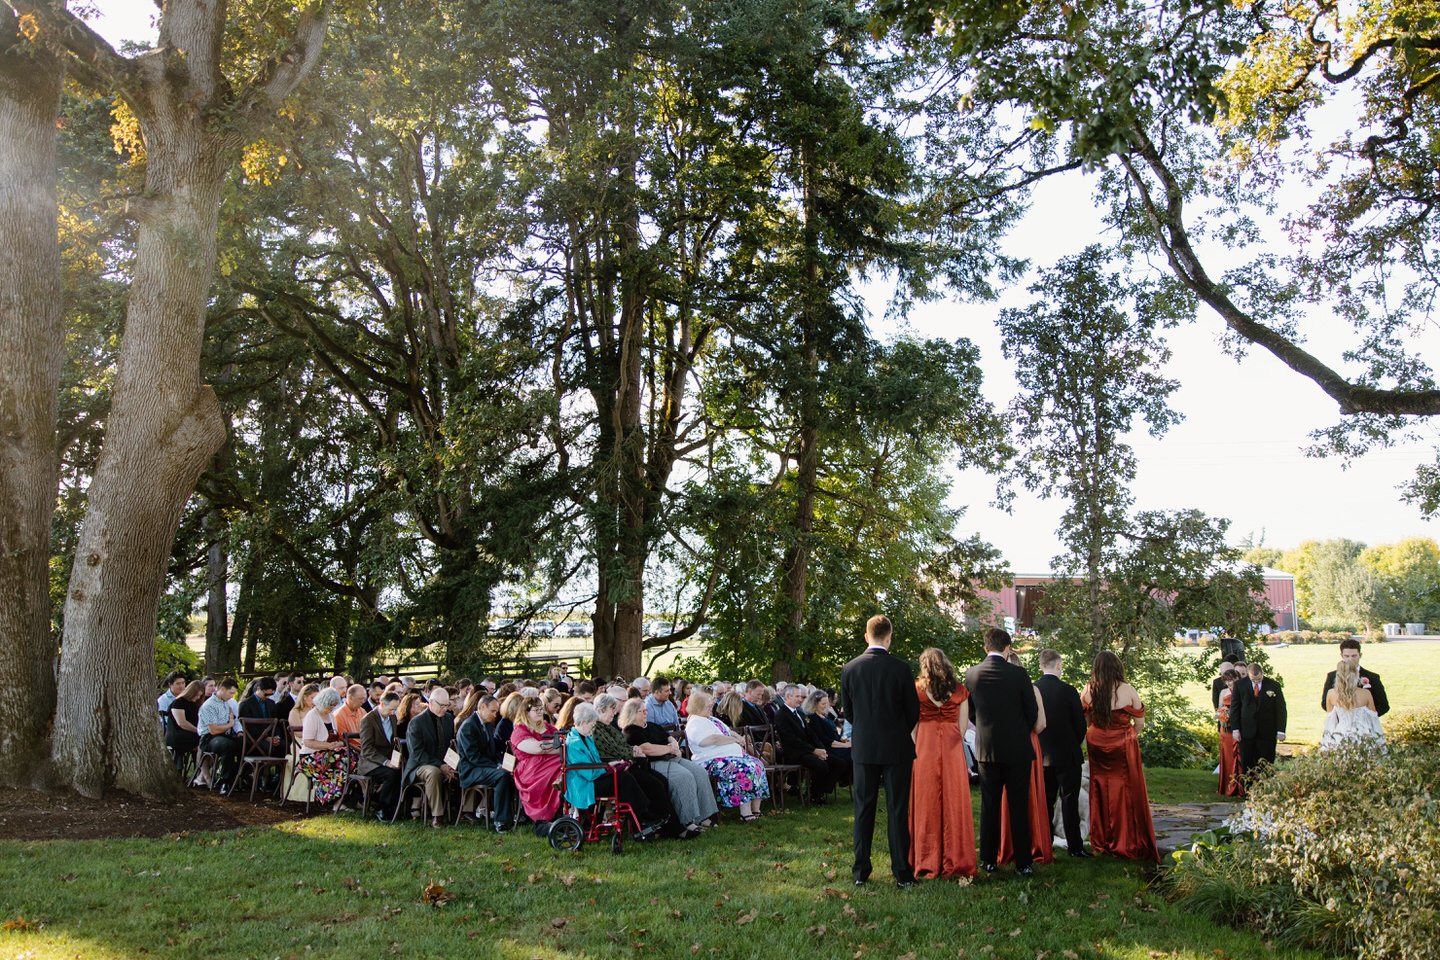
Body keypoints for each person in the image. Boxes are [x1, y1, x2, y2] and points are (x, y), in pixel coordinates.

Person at [841, 614, 921, 887]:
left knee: (863, 809)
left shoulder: (850, 669)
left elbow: (848, 712)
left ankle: (860, 872)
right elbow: (913, 711)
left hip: (864, 747)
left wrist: (866, 729)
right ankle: (902, 873)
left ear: (867, 636)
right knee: (898, 809)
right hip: (897, 747)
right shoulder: (901, 669)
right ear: (889, 637)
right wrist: (897, 730)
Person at [964, 627, 1042, 876]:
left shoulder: (972, 674)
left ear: (985, 648)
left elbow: (972, 712)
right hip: (1018, 748)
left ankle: (988, 859)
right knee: (1018, 805)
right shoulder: (1019, 675)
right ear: (1008, 648)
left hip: (987, 749)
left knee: (990, 804)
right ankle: (1023, 863)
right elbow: (1032, 712)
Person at [1081, 651, 1159, 862]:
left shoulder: (1089, 690)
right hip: (1122, 744)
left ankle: (1103, 839)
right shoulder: (1128, 690)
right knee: (1125, 788)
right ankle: (1126, 839)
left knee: (1100, 787)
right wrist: (1126, 735)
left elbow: (1086, 720)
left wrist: (1100, 731)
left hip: (1096, 741)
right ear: (1117, 667)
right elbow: (1140, 723)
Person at [908, 647, 976, 879]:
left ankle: (926, 858)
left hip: (925, 746)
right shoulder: (959, 691)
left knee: (925, 801)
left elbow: (913, 728)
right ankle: (955, 859)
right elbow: (963, 726)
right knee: (953, 801)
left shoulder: (917, 689)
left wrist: (919, 745)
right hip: (952, 745)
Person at [563, 702, 662, 835]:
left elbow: (595, 762)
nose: (593, 729)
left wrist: (609, 765)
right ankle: (641, 819)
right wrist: (607, 767)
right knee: (624, 780)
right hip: (585, 783)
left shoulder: (586, 738)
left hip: (593, 776)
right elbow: (585, 771)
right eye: (591, 725)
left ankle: (642, 817)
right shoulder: (574, 743)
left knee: (626, 777)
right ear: (582, 722)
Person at [621, 698, 715, 838]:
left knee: (699, 772)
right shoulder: (631, 730)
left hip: (671, 757)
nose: (646, 713)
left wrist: (674, 745)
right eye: (642, 711)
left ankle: (704, 815)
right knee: (684, 777)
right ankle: (688, 820)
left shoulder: (652, 725)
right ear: (633, 714)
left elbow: (669, 737)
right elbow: (648, 749)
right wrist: (669, 749)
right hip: (654, 763)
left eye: (646, 710)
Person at [998, 651, 1053, 867]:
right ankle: (1032, 843)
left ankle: (1007, 845)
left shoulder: (997, 688)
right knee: (1028, 793)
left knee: (1005, 796)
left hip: (1001, 744)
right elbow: (1041, 724)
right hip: (1028, 743)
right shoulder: (1032, 690)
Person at [1035, 649, 1090, 856]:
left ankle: (1045, 842)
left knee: (1046, 801)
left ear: (1041, 666)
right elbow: (1080, 725)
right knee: (1070, 801)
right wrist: (1072, 743)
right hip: (1068, 754)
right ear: (1059, 665)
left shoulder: (1034, 689)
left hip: (1042, 755)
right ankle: (1075, 847)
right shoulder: (1069, 691)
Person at [684, 690, 769, 821]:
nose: (711, 707)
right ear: (698, 706)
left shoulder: (711, 719)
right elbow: (711, 740)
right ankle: (745, 813)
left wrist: (739, 738)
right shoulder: (695, 722)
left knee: (757, 764)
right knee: (743, 768)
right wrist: (734, 740)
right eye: (708, 706)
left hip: (729, 757)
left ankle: (756, 809)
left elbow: (729, 731)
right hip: (710, 761)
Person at [454, 691, 517, 830]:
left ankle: (513, 814)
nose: (495, 715)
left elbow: (493, 750)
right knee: (502, 776)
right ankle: (500, 821)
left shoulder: (487, 724)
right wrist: (496, 768)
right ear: (482, 707)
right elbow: (473, 757)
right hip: (471, 770)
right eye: (492, 711)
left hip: (484, 767)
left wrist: (501, 764)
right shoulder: (468, 726)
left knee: (510, 773)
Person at [774, 683, 838, 804]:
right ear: (787, 696)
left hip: (806, 750)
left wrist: (821, 749)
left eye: (801, 696)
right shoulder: (781, 715)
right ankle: (814, 795)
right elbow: (791, 739)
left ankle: (821, 790)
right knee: (821, 765)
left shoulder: (798, 712)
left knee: (837, 762)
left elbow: (811, 733)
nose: (801, 699)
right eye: (797, 696)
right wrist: (814, 751)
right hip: (794, 753)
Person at [403, 687, 457, 827]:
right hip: (419, 765)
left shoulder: (449, 719)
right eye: (442, 705)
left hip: (443, 763)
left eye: (447, 705)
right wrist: (440, 765)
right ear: (431, 702)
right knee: (434, 772)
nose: (444, 709)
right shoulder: (416, 723)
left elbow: (451, 746)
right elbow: (417, 753)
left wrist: (450, 765)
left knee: (465, 767)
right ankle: (437, 816)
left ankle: (466, 811)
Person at [510, 695, 565, 830]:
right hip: (531, 770)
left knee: (566, 766)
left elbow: (563, 742)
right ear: (526, 712)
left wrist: (554, 746)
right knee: (562, 767)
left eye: (541, 709)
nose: (541, 712)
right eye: (536, 710)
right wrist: (555, 746)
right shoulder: (520, 731)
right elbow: (536, 749)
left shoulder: (548, 727)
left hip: (550, 763)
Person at [1227, 661, 1287, 782]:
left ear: (1262, 674)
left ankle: (1266, 790)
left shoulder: (1273, 685)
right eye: (1253, 679)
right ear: (1248, 675)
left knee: (1266, 763)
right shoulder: (1240, 685)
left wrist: (1281, 730)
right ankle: (1248, 791)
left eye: (1258, 679)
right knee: (1247, 764)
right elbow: (1235, 708)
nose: (1256, 682)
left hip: (1267, 732)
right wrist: (1235, 729)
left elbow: (1281, 709)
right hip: (1246, 731)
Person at [298, 687, 349, 807]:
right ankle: (334, 798)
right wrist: (328, 746)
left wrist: (339, 743)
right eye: (330, 705)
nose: (332, 708)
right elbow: (308, 742)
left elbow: (335, 736)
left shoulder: (331, 716)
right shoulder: (312, 716)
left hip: (328, 752)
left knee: (349, 757)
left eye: (334, 705)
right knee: (344, 758)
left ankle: (338, 797)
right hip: (310, 756)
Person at [1320, 658, 1386, 749]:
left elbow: (1330, 722)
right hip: (1363, 735)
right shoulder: (1365, 693)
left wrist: (1327, 742)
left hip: (1340, 735)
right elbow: (1373, 720)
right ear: (1356, 674)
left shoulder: (1331, 694)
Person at [360, 692, 403, 821]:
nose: (392, 712)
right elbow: (367, 749)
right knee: (391, 774)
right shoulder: (368, 720)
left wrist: (397, 760)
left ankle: (395, 806)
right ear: (382, 704)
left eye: (395, 710)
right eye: (391, 709)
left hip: (389, 759)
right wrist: (385, 762)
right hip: (371, 762)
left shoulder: (393, 718)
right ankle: (382, 808)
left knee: (405, 770)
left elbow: (393, 743)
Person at [1320, 638, 1389, 717]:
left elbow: (1383, 706)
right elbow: (1325, 703)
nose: (1350, 659)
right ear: (1341, 655)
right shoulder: (1332, 676)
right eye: (1347, 656)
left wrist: (1364, 718)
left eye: (1354, 656)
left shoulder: (1372, 677)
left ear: (1360, 655)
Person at [197, 677, 243, 793]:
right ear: (222, 689)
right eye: (231, 693)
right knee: (227, 745)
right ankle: (225, 781)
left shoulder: (226, 704)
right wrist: (230, 724)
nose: (232, 696)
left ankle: (236, 777)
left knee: (247, 744)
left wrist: (238, 731)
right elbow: (213, 730)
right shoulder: (209, 705)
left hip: (223, 735)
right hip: (209, 739)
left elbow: (233, 721)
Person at [802, 689, 851, 774]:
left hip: (836, 745)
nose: (825, 706)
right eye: (823, 704)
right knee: (850, 754)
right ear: (815, 704)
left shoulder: (825, 716)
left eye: (826, 704)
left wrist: (844, 740)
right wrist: (844, 745)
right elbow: (824, 739)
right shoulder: (812, 718)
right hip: (827, 749)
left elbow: (834, 734)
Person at [1215, 668, 1245, 797]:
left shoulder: (1242, 691)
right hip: (1226, 728)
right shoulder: (1223, 692)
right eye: (1227, 681)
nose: (1229, 684)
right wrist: (1222, 715)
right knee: (1227, 756)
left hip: (1238, 727)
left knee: (1238, 756)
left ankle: (1239, 786)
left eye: (1231, 681)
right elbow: (1219, 708)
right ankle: (1226, 785)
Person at [166, 680, 205, 769]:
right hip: (177, 734)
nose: (198, 697)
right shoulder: (178, 702)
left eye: (200, 696)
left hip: (190, 733)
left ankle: (202, 770)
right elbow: (182, 723)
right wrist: (198, 731)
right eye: (197, 695)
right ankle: (201, 770)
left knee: (206, 740)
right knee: (202, 741)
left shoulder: (194, 705)